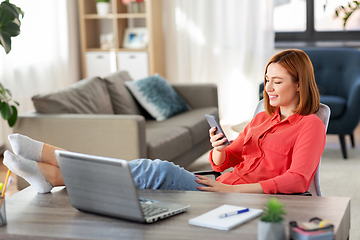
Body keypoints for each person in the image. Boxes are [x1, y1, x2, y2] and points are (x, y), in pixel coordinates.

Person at [3, 49, 326, 195]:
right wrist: (218, 149)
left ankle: (50, 160)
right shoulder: (260, 117)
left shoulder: (309, 124)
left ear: (299, 83)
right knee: (138, 175)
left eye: (277, 82)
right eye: (266, 80)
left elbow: (298, 180)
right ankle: (52, 174)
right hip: (221, 183)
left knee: (151, 169)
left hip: (231, 192)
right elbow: (224, 161)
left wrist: (235, 191)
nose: (267, 89)